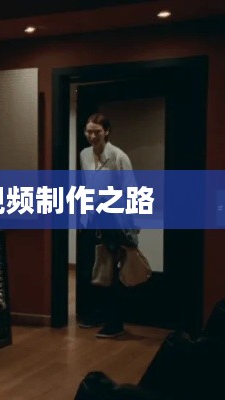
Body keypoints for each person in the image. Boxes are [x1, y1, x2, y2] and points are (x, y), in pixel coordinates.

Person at [77, 113, 139, 339]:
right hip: (92, 219)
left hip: (113, 219)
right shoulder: (84, 154)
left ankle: (115, 323)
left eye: (97, 132)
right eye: (89, 131)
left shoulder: (118, 156)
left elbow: (131, 190)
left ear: (107, 132)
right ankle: (98, 314)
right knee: (94, 268)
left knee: (112, 271)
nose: (92, 136)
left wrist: (132, 227)